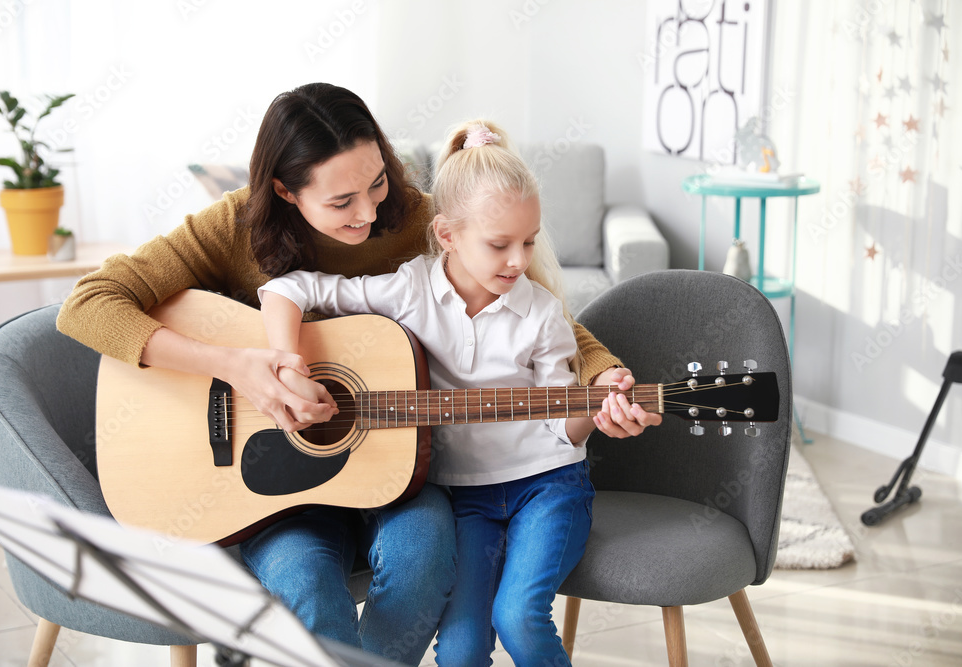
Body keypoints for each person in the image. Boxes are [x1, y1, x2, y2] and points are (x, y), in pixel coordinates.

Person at [56, 83, 660, 664]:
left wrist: (606, 374)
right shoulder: (231, 226)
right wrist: (239, 366)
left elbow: (537, 312)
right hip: (272, 484)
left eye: (376, 183)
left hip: (395, 463)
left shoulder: (423, 219)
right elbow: (88, 304)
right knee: (309, 586)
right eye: (342, 202)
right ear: (285, 192)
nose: (369, 211)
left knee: (426, 562)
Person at [258, 119, 661, 667]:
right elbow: (290, 286)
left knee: (518, 616)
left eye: (529, 242)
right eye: (500, 244)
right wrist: (285, 365)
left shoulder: (540, 315)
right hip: (463, 498)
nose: (519, 261)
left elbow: (560, 429)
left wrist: (596, 408)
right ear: (447, 235)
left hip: (546, 487)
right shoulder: (407, 289)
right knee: (462, 648)